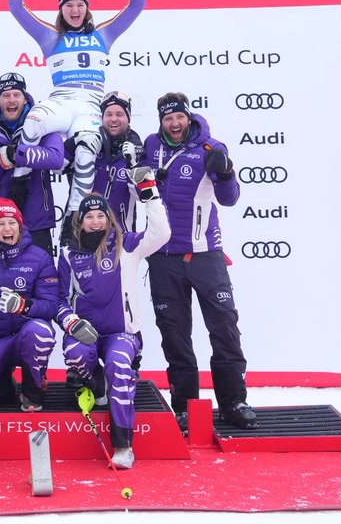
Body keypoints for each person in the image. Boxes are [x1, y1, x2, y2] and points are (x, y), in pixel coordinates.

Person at [7, 0, 146, 243]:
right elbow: (17, 9)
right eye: (69, 5)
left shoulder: (103, 34)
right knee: (33, 121)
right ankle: (21, 180)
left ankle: (73, 219)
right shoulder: (50, 36)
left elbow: (136, 6)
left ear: (87, 7)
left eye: (80, 4)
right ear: (61, 9)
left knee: (86, 152)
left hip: (90, 107)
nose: (74, 9)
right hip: (63, 100)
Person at [146, 93, 256, 433]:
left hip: (205, 254)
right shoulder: (150, 145)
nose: (174, 124)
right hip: (164, 256)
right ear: (161, 122)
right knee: (174, 335)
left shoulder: (211, 148)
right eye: (168, 119)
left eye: (179, 118)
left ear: (189, 118)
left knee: (224, 327)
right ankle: (184, 408)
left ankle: (233, 401)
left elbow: (230, 199)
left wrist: (225, 174)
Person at [56, 184, 170, 470]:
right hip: (87, 333)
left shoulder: (126, 244)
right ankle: (96, 385)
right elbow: (58, 300)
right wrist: (71, 322)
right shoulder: (70, 255)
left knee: (118, 365)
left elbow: (161, 234)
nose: (95, 221)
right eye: (89, 216)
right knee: (76, 354)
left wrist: (150, 195)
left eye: (100, 215)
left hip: (122, 333)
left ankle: (123, 445)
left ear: (108, 218)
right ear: (80, 221)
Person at [0, 198, 60, 412]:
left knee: (40, 331)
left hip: (25, 336)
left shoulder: (40, 257)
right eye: (0, 224)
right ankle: (4, 384)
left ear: (20, 226)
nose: (7, 228)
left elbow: (51, 305)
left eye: (12, 223)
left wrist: (24, 305)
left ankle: (32, 393)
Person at [0, 72, 64, 254]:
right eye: (6, 95)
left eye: (16, 95)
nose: (11, 100)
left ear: (25, 99)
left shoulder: (43, 125)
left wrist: (17, 154)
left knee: (40, 279)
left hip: (35, 221)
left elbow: (55, 158)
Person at [86, 91, 149, 233]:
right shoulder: (90, 145)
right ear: (102, 118)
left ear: (128, 118)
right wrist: (74, 143)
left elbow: (143, 196)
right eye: (108, 114)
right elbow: (60, 166)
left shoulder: (138, 150)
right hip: (87, 236)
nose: (113, 119)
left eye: (119, 114)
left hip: (122, 237)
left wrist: (133, 164)